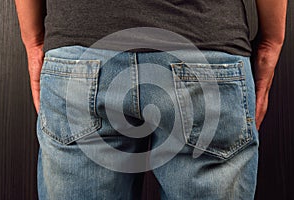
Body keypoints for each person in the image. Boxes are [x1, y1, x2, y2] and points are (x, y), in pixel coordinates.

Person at [15, 0, 287, 199]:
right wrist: (271, 42)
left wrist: (34, 42)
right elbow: (269, 42)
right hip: (205, 51)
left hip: (80, 55)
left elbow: (35, 43)